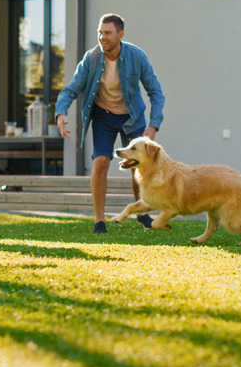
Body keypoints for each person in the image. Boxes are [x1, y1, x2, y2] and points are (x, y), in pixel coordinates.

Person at [55, 13, 165, 233]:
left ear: (120, 34)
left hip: (131, 116)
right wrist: (61, 112)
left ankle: (142, 213)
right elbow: (71, 89)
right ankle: (99, 220)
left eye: (107, 33)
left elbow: (156, 92)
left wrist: (152, 126)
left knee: (139, 165)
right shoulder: (92, 58)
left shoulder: (136, 56)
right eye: (100, 32)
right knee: (101, 161)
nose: (102, 37)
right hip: (104, 115)